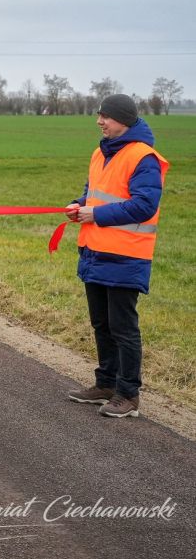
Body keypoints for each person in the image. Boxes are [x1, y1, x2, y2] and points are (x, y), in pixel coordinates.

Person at [64, 94, 167, 419]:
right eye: (99, 115)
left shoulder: (143, 157)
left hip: (126, 256)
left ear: (123, 119)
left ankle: (128, 394)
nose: (99, 121)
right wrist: (80, 204)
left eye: (105, 116)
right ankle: (105, 384)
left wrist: (95, 214)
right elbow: (94, 191)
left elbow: (144, 205)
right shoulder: (100, 152)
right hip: (95, 250)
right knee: (101, 324)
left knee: (123, 327)